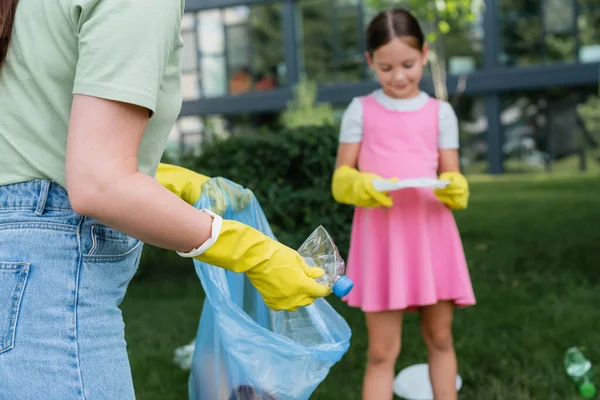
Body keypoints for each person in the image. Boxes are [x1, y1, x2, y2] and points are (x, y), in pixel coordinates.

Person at [0, 1, 330, 399]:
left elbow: (31, 141)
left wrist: (165, 180)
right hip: (50, 287)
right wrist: (251, 252)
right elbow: (97, 184)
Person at [331, 8, 476, 400]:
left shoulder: (440, 112)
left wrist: (455, 186)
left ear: (425, 55)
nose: (398, 76)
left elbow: (451, 172)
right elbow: (340, 177)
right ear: (370, 63)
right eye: (386, 67)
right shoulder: (360, 110)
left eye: (408, 65)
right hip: (383, 239)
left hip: (432, 235)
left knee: (441, 338)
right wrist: (356, 184)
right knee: (381, 352)